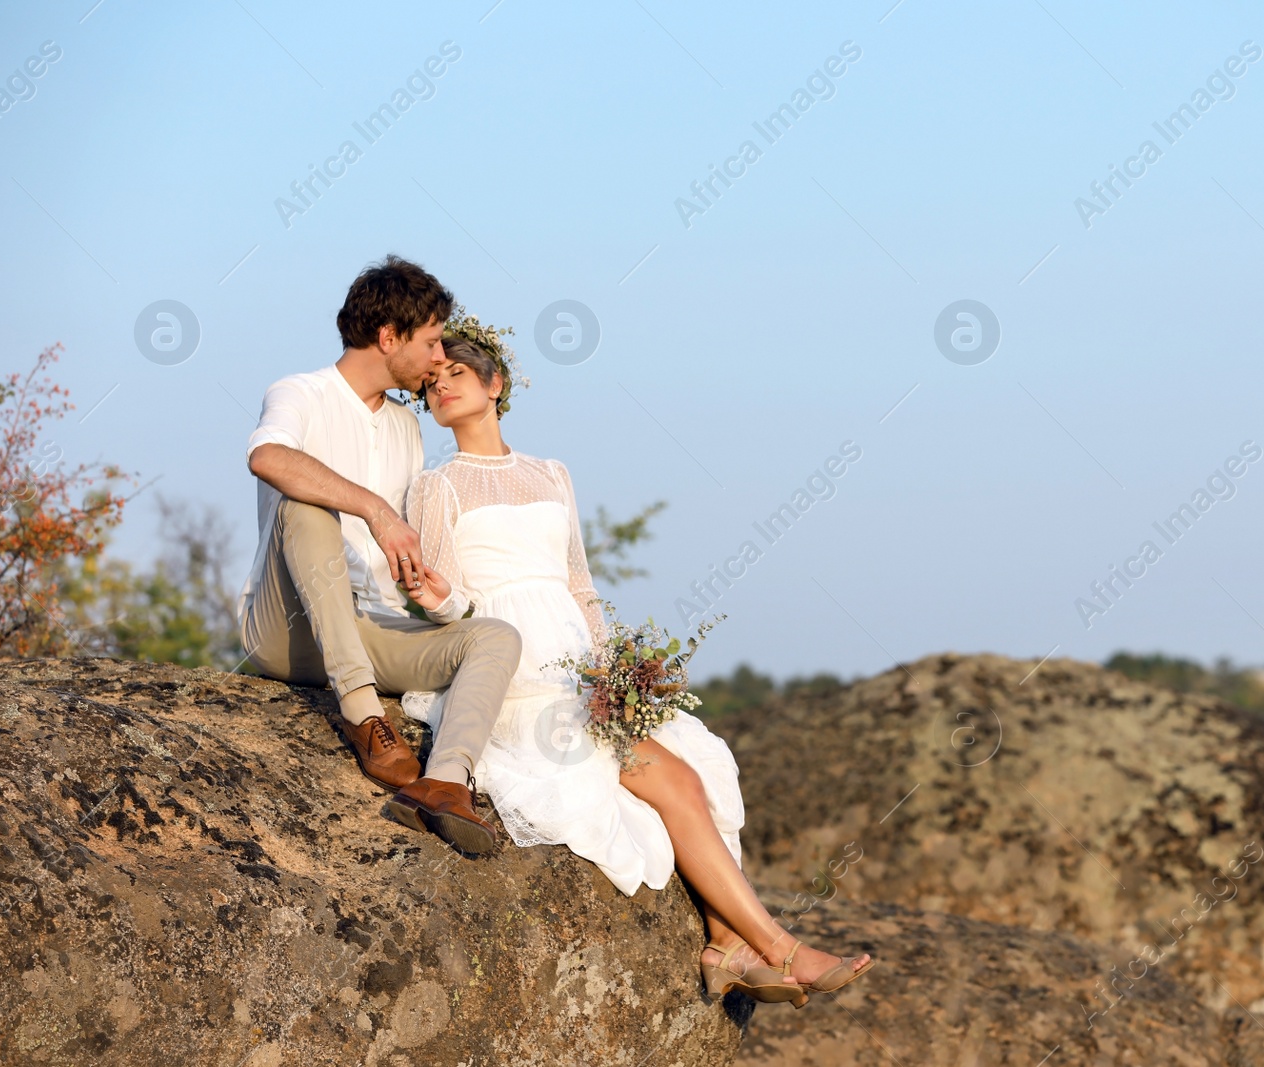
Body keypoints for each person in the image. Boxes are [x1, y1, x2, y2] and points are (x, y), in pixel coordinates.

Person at [396, 309, 875, 1006]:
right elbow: (446, 603)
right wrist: (437, 600)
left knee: (691, 770)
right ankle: (776, 948)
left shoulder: (551, 473)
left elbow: (580, 583)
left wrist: (615, 672)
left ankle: (730, 944)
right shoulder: (436, 486)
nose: (442, 388)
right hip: (513, 670)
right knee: (672, 781)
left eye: (457, 374)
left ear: (495, 383)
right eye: (431, 382)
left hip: (579, 670)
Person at [237, 255, 523, 857]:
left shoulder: (404, 426)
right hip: (288, 629)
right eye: (431, 340)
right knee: (306, 504)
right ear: (388, 337)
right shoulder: (300, 392)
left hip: (371, 626)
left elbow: (403, 545)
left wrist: (429, 590)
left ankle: (444, 784)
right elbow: (267, 458)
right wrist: (374, 508)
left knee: (495, 637)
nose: (440, 356)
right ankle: (365, 716)